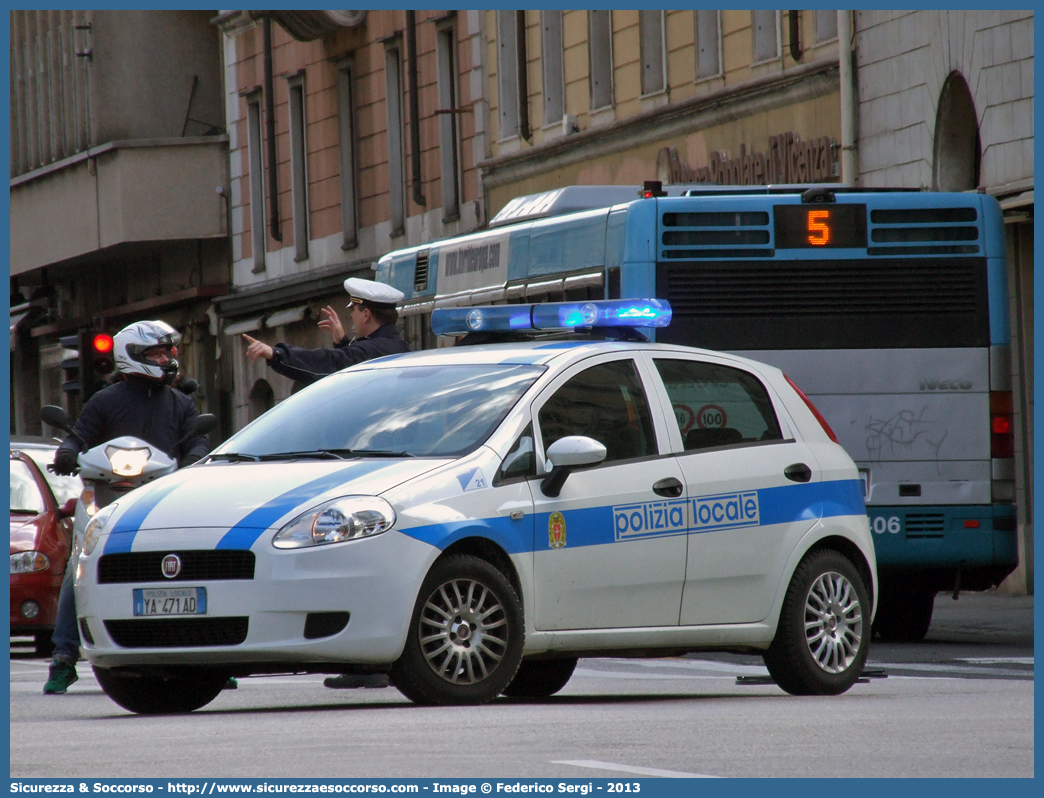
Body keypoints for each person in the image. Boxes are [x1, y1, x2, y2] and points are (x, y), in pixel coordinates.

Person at [43, 320, 213, 695]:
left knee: (190, 565)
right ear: (132, 356)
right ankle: (63, 658)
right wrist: (68, 452)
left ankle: (213, 659)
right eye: (156, 353)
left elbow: (198, 439)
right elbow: (78, 434)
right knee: (78, 566)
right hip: (107, 494)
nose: (166, 359)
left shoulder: (182, 402)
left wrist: (194, 458)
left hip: (164, 495)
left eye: (168, 352)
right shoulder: (105, 400)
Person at [242, 277, 410, 386]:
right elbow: (358, 356)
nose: (351, 316)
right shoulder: (401, 347)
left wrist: (275, 353)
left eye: (353, 311)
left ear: (366, 314)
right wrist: (343, 341)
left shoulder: (372, 350)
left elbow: (326, 363)